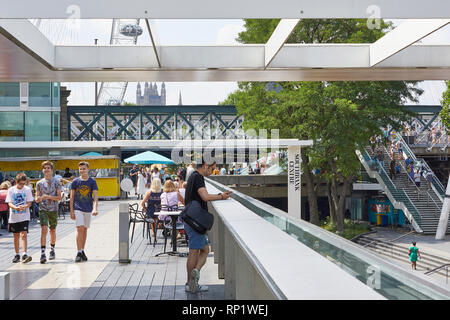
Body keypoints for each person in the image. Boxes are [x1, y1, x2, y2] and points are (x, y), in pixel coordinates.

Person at [184, 159, 232, 294]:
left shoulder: (193, 176)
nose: (212, 171)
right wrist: (221, 196)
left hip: (190, 219)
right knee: (194, 251)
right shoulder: (198, 177)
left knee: (205, 250)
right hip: (194, 221)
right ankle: (190, 283)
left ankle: (194, 274)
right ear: (205, 166)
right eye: (212, 169)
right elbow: (204, 197)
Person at [70, 161, 99, 263]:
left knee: (85, 230)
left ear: (88, 169)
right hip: (78, 208)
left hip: (88, 208)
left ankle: (82, 250)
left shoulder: (92, 182)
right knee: (80, 229)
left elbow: (95, 197)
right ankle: (78, 252)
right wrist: (71, 211)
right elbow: (72, 197)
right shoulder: (75, 182)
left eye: (84, 168)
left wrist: (95, 208)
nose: (82, 170)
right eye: (80, 169)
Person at [35, 161, 63, 264]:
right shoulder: (39, 183)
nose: (46, 170)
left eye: (48, 168)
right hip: (43, 209)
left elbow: (59, 197)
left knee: (52, 230)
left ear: (52, 170)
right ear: (42, 170)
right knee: (44, 229)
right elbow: (36, 197)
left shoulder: (57, 182)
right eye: (45, 168)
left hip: (53, 209)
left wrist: (47, 196)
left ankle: (52, 249)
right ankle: (42, 253)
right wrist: (38, 199)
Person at [5, 173, 34, 263]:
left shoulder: (27, 190)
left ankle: (24, 253)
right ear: (16, 182)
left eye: (24, 184)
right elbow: (9, 202)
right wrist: (15, 207)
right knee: (16, 236)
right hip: (14, 216)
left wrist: (25, 206)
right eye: (21, 184)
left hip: (24, 216)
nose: (22, 186)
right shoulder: (11, 190)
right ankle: (17, 254)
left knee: (24, 234)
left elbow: (29, 202)